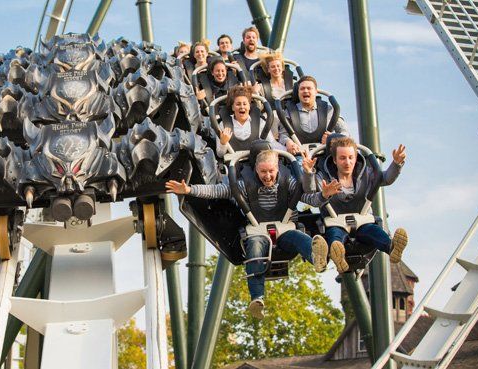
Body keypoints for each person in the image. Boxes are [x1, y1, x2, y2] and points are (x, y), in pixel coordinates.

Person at [165, 149, 337, 319]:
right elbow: (217, 191)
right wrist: (189, 190)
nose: (267, 176)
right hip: (257, 230)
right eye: (263, 171)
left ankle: (317, 258)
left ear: (277, 168)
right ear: (256, 169)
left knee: (301, 238)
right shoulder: (243, 185)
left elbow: (311, 199)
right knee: (254, 250)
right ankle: (257, 298)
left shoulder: (289, 182)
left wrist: (324, 195)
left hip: (285, 228)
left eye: (271, 171)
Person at [312, 136, 408, 274]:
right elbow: (309, 188)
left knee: (374, 231)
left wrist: (397, 164)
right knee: (335, 236)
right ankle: (338, 256)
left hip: (363, 221)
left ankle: (392, 248)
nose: (347, 162)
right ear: (334, 160)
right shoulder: (324, 177)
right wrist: (318, 185)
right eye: (342, 158)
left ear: (356, 157)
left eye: (351, 157)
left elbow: (385, 178)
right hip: (336, 222)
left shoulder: (366, 174)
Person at [280, 76, 349, 155]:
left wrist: (333, 138)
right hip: (300, 155)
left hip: (326, 153)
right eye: (302, 89)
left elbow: (345, 132)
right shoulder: (288, 112)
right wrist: (288, 142)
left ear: (316, 91)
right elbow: (283, 134)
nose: (305, 91)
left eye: (309, 88)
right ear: (298, 92)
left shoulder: (329, 110)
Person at [215, 85, 278, 157]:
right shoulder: (223, 125)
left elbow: (272, 144)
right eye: (238, 104)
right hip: (234, 164)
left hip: (258, 161)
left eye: (245, 104)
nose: (242, 107)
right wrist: (223, 143)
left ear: (249, 106)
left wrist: (288, 145)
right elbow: (220, 154)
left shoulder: (260, 122)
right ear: (233, 107)